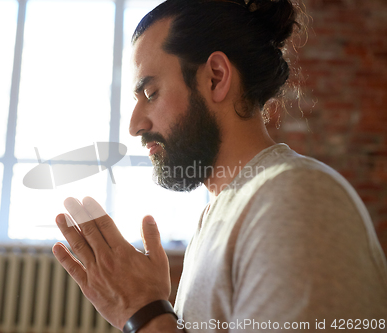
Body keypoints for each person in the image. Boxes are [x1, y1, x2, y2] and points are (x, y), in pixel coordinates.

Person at [52, 0, 387, 332]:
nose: (135, 125)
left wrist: (144, 313)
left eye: (151, 93)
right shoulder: (221, 215)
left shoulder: (295, 199)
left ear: (215, 77)